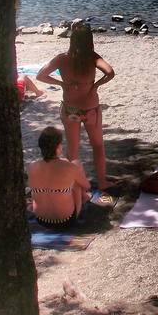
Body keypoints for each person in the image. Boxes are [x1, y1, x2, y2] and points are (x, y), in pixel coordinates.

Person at [36, 21, 115, 190]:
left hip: (70, 109)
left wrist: (62, 84)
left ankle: (74, 184)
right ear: (89, 39)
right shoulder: (93, 57)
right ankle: (102, 182)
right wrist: (96, 85)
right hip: (90, 109)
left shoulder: (62, 58)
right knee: (98, 146)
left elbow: (41, 76)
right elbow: (110, 72)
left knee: (73, 150)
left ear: (72, 39)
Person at [27, 126, 91, 228]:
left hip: (40, 220)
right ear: (58, 147)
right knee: (76, 169)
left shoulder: (31, 167)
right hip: (66, 221)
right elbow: (87, 186)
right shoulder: (70, 167)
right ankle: (84, 197)